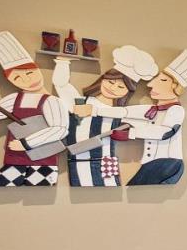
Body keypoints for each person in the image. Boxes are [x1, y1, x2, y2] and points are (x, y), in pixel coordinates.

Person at [0, 31, 70, 187]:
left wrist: (26, 143)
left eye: (30, 72)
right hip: (15, 157)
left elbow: (59, 129)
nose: (27, 80)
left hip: (42, 158)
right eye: (17, 78)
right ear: (11, 80)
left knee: (38, 190)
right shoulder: (15, 99)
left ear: (37, 70)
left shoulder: (53, 101)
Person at [55, 44, 157, 187]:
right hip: (78, 160)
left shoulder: (121, 112)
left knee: (108, 192)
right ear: (102, 80)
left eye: (121, 87)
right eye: (110, 81)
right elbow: (61, 86)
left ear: (127, 92)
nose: (113, 88)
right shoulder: (80, 102)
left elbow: (146, 118)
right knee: (82, 192)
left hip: (107, 161)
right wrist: (62, 63)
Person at [117, 49, 187, 185]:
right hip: (152, 164)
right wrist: (95, 110)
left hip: (167, 164)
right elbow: (125, 112)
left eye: (162, 80)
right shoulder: (152, 110)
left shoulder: (176, 110)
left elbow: (165, 132)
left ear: (176, 87)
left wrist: (131, 133)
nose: (150, 84)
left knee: (134, 188)